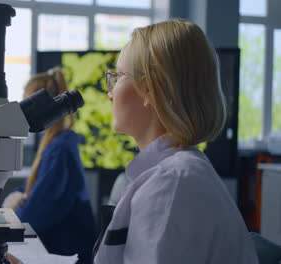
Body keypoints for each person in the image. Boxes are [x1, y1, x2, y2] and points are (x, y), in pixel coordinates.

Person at [94, 19, 258, 263]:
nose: (110, 92)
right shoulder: (175, 174)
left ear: (150, 90)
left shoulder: (172, 186)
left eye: (117, 77)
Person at [3, 67, 97, 263]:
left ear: (39, 108)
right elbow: (32, 187)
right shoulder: (55, 143)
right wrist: (14, 198)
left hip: (69, 255)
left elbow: (35, 215)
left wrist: (9, 213)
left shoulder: (61, 150)